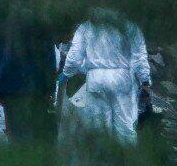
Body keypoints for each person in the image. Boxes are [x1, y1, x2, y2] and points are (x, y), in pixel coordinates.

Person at [56, 9, 151, 147]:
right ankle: (127, 162)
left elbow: (74, 58)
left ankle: (101, 161)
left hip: (95, 79)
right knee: (125, 129)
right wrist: (145, 82)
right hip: (122, 79)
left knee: (98, 126)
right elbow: (140, 58)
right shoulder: (130, 28)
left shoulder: (86, 27)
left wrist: (66, 74)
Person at [0, 18, 56, 140]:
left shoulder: (1, 26)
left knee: (16, 134)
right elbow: (49, 59)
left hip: (9, 89)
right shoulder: (40, 25)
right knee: (36, 132)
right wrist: (50, 88)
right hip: (36, 88)